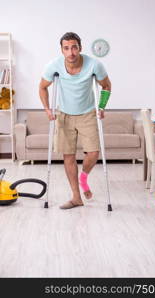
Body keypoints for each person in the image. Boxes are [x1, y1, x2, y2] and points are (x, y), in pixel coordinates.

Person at [39, 32, 111, 209]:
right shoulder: (54, 65)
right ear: (62, 50)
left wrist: (101, 107)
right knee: (68, 156)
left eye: (74, 47)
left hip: (87, 113)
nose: (70, 52)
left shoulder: (94, 64)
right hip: (64, 115)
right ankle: (76, 197)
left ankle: (84, 178)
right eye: (66, 48)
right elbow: (42, 87)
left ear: (80, 48)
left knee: (93, 153)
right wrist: (48, 109)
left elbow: (106, 85)